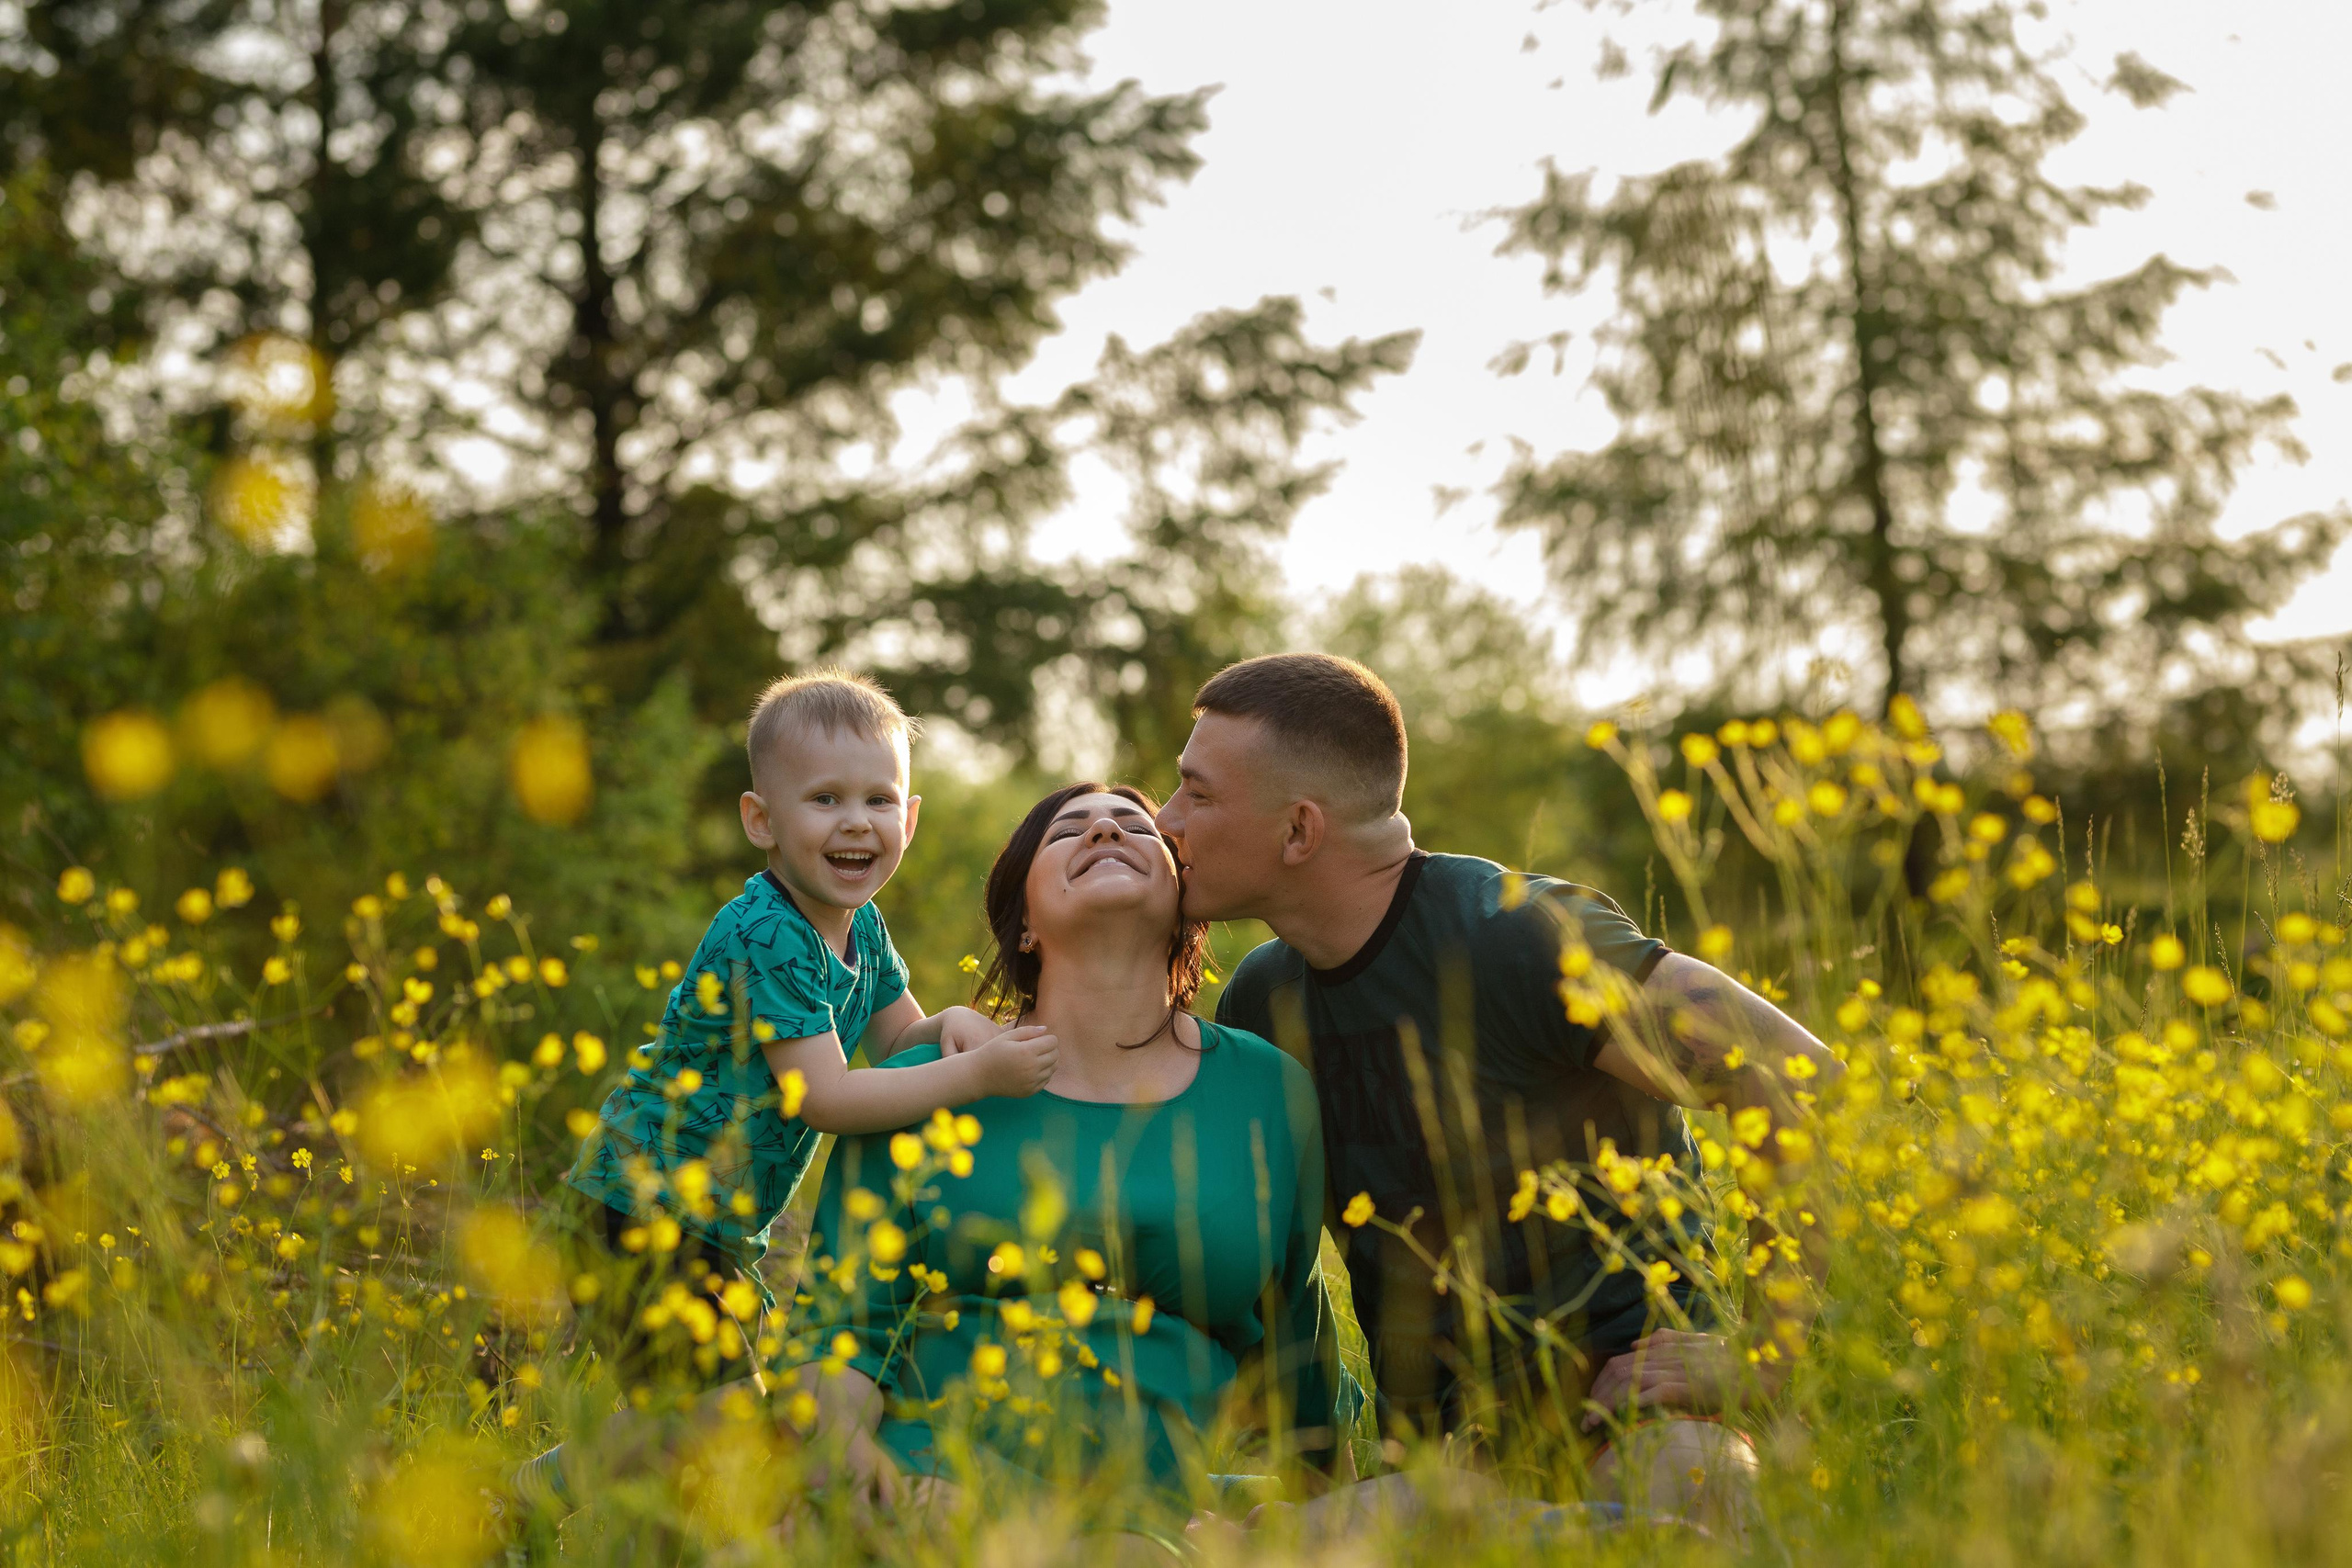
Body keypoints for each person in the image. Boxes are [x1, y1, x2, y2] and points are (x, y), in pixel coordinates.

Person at [1154, 653, 1844, 1532]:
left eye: (1196, 794)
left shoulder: (1516, 933)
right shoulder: (1263, 997)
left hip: (1633, 1425)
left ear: (1299, 831)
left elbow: (1792, 1074)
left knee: (1698, 1506)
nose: (1166, 820)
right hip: (1448, 1475)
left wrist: (1770, 1353)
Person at [514, 671, 1056, 1514]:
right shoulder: (766, 927)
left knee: (710, 1427)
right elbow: (827, 1097)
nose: (855, 821)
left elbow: (898, 1042)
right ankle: (521, 1498)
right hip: (640, 1201)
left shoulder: (862, 928)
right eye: (824, 798)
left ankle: (566, 1512)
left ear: (909, 820)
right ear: (762, 821)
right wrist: (978, 1072)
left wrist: (952, 1023)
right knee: (724, 1420)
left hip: (712, 1223)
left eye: (880, 799)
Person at [786, 782, 1358, 1550]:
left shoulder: (1268, 1091)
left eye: (1133, 826)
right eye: (1069, 832)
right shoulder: (930, 1080)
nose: (1103, 833)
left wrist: (1333, 1522)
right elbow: (840, 1333)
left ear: (1186, 903)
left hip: (1142, 1519)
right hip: (929, 1484)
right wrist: (849, 1472)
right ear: (1023, 923)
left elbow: (1297, 1348)